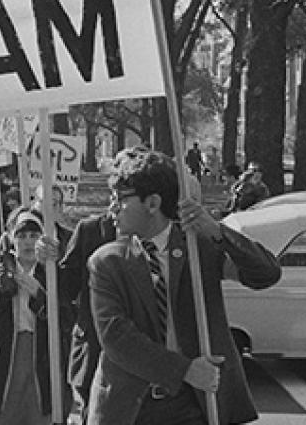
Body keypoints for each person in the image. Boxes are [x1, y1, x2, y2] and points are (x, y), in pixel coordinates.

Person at [86, 147, 282, 425]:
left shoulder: (198, 248)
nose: (112, 208)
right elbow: (116, 338)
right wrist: (185, 370)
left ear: (152, 203)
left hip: (192, 405)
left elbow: (266, 274)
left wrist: (217, 231)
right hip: (130, 409)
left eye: (121, 199)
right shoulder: (108, 262)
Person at [0, 208, 69, 423]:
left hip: (41, 358)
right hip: (4, 358)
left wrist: (39, 295)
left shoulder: (53, 272)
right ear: (11, 238)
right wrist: (0, 292)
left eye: (34, 235)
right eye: (21, 236)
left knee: (39, 414)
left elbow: (67, 318)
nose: (28, 242)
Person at [58, 211, 117, 424]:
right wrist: (50, 263)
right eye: (116, 197)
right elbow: (66, 287)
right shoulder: (89, 230)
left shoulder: (155, 236)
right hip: (94, 345)